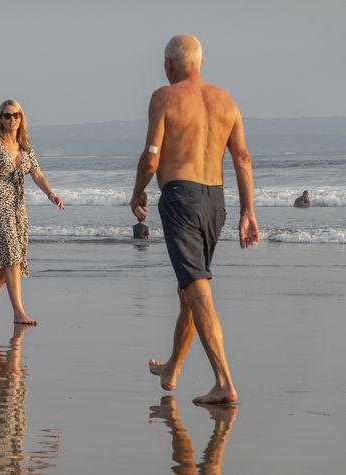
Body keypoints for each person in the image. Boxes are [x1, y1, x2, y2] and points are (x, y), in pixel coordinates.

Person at [130, 35, 259, 404]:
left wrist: (137, 191)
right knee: (189, 288)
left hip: (181, 198)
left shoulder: (165, 97)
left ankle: (224, 382)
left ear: (170, 64)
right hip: (215, 201)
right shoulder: (226, 100)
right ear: (199, 63)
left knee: (197, 289)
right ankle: (172, 368)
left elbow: (152, 156)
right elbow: (243, 158)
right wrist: (248, 212)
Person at [0, 100, 64, 326]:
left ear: (21, 118)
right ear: (0, 119)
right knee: (12, 255)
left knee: (13, 258)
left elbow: (37, 174)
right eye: (7, 115)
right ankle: (18, 312)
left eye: (16, 115)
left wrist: (50, 194)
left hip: (18, 207)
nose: (12, 119)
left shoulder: (25, 145)